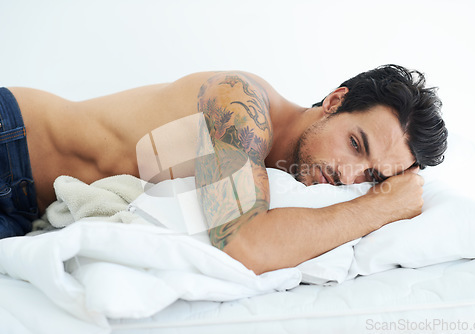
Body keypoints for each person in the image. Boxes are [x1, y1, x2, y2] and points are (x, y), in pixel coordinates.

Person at [1, 64, 447, 274]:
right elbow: (244, 244)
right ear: (334, 101)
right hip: (11, 142)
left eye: (371, 177)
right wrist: (379, 208)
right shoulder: (241, 104)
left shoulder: (281, 174)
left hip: (24, 211)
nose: (349, 176)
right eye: (355, 144)